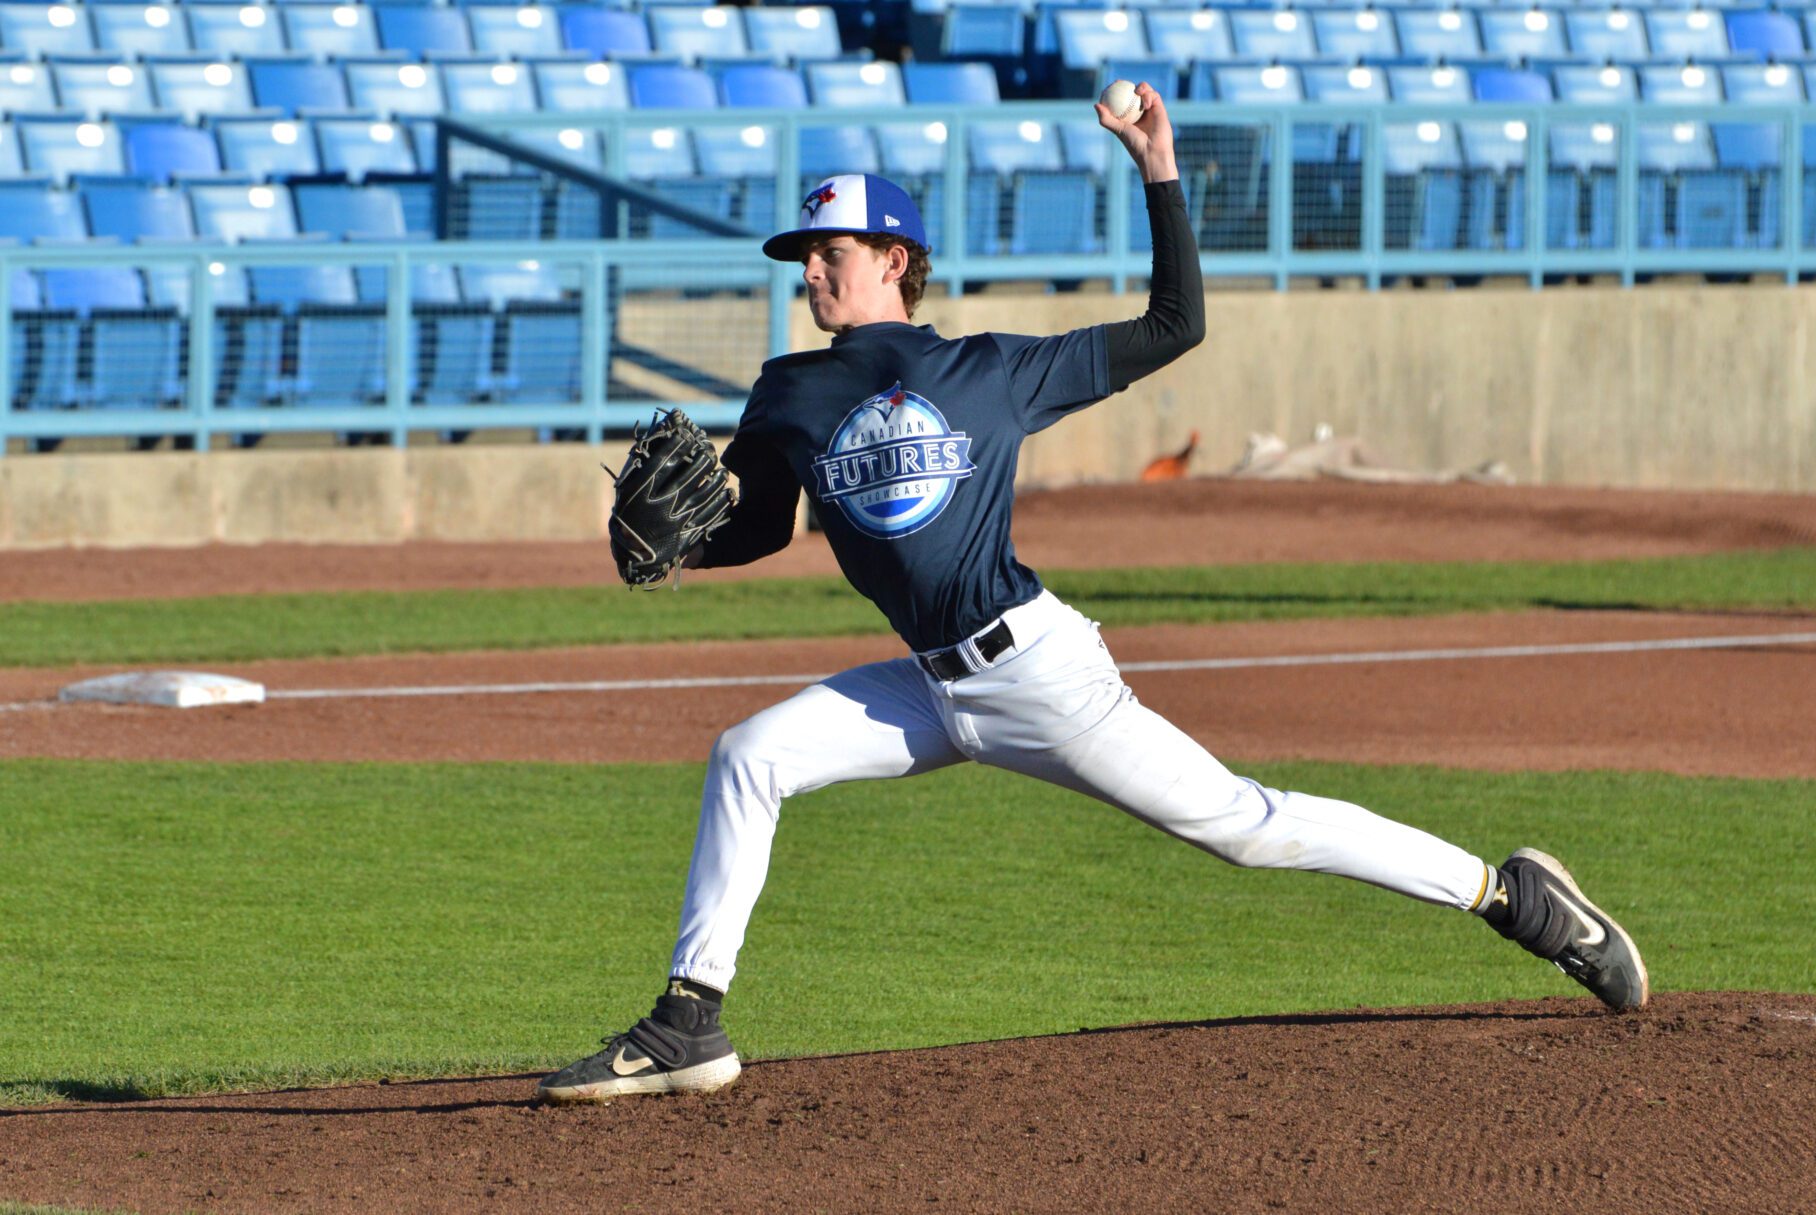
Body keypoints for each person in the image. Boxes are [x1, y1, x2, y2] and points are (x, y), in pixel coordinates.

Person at [538, 84, 1647, 1104]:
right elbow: (764, 526)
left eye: (826, 253)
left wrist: (1157, 167)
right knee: (750, 755)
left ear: (892, 256)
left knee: (1244, 829)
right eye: (802, 259)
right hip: (928, 688)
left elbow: (1175, 327)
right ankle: (691, 1023)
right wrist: (682, 545)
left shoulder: (989, 370)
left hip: (1036, 672)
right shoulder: (790, 389)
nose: (810, 274)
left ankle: (1512, 899)